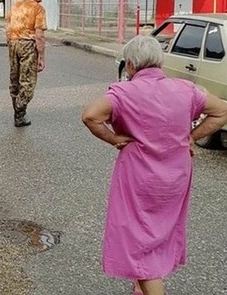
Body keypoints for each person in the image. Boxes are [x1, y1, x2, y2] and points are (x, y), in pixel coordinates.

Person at [82, 35, 227, 295]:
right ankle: (141, 286)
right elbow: (222, 111)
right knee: (158, 231)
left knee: (138, 237)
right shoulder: (186, 89)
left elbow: (90, 115)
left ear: (130, 65)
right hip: (176, 176)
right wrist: (191, 137)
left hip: (138, 176)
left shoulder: (123, 93)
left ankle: (150, 287)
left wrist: (114, 138)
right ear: (160, 62)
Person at [6, 0, 47, 127]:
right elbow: (39, 35)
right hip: (27, 44)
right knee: (28, 81)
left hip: (13, 42)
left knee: (15, 78)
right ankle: (19, 111)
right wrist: (41, 56)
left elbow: (8, 25)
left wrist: (10, 42)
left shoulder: (16, 5)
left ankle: (18, 113)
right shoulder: (38, 9)